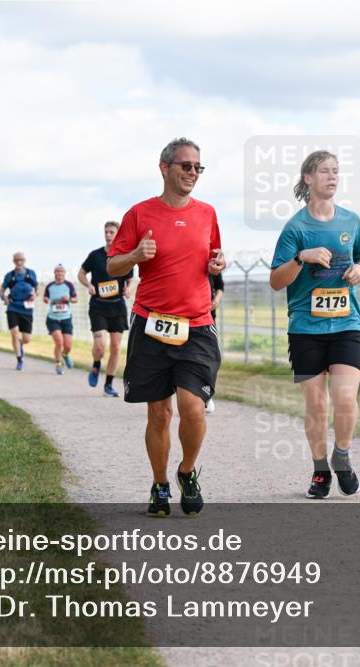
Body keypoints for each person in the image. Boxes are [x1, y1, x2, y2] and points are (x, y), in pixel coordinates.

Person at [107, 137, 224, 517]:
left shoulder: (207, 213)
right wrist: (136, 255)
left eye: (197, 168)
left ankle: (186, 472)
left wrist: (217, 265)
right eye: (186, 166)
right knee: (159, 413)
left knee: (194, 407)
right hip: (152, 323)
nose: (192, 173)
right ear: (165, 168)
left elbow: (212, 258)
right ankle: (159, 486)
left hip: (196, 324)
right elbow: (113, 267)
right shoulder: (140, 213)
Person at [269, 150, 360, 499]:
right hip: (306, 329)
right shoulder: (295, 228)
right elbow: (276, 281)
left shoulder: (351, 221)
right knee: (317, 406)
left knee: (345, 398)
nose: (333, 176)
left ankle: (341, 455)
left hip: (346, 324)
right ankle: (319, 470)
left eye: (336, 171)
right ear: (308, 178)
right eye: (325, 171)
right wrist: (302, 257)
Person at [79, 221, 134, 396]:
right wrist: (88, 284)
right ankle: (96, 365)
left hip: (117, 306)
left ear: (118, 235)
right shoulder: (95, 255)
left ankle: (108, 385)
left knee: (116, 347)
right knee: (101, 345)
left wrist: (128, 289)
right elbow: (81, 273)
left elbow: (130, 279)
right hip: (98, 306)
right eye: (106, 232)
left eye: (111, 232)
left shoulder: (123, 256)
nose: (108, 235)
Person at [0, 252, 38, 371]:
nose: (19, 262)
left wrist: (34, 295)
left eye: (21, 260)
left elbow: (37, 288)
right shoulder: (9, 276)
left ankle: (20, 345)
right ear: (13, 261)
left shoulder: (30, 273)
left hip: (27, 308)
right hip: (13, 307)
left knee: (26, 339)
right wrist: (4, 298)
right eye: (16, 260)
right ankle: (19, 359)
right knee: (15, 333)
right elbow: (1, 291)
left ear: (24, 260)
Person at [43, 264, 77, 375]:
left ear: (64, 273)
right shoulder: (49, 286)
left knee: (67, 346)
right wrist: (46, 299)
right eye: (57, 271)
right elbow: (46, 297)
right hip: (53, 318)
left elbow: (75, 299)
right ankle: (58, 363)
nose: (59, 273)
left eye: (61, 271)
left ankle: (65, 355)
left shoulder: (69, 285)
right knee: (59, 342)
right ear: (54, 273)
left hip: (66, 318)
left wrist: (69, 299)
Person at [205, 272, 225, 414]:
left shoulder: (211, 259)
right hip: (182, 317)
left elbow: (220, 286)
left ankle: (207, 394)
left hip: (207, 318)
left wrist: (216, 300)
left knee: (210, 358)